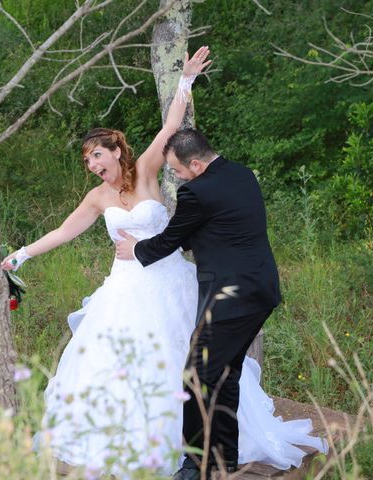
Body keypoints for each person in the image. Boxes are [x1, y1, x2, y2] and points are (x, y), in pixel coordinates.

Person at [2, 47, 326, 478]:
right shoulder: (97, 198)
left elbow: (172, 125)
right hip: (125, 289)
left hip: (168, 280)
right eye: (86, 161)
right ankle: (131, 443)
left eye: (96, 155)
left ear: (116, 150)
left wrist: (186, 80)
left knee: (193, 364)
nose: (92, 165)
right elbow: (64, 232)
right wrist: (21, 254)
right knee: (118, 365)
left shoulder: (147, 170)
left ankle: (204, 450)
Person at [114, 128, 284, 479]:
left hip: (231, 296)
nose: (174, 176)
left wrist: (136, 250)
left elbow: (171, 241)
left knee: (196, 375)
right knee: (224, 374)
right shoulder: (241, 174)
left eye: (176, 170)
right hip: (260, 289)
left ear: (195, 164)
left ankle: (196, 464)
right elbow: (213, 227)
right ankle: (223, 460)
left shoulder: (197, 191)